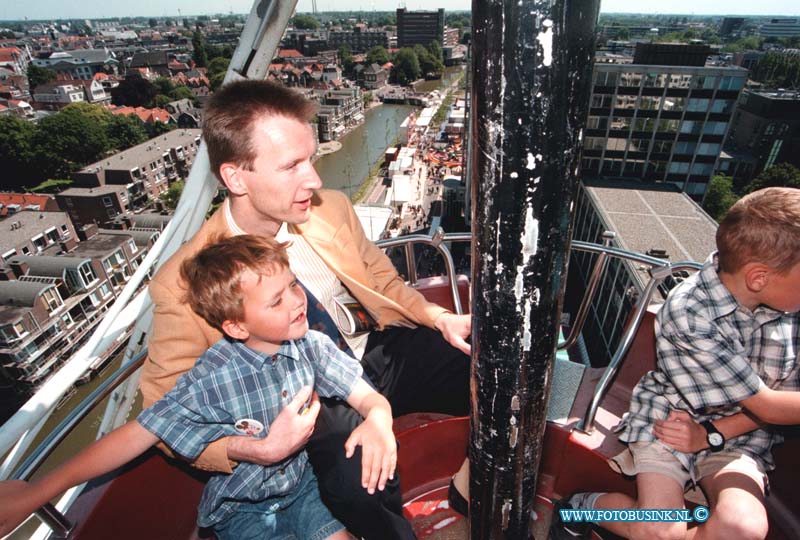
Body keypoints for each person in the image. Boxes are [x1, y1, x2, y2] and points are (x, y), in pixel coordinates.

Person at [140, 79, 472, 539]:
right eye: (292, 166)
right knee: (363, 485)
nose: (314, 180)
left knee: (489, 371)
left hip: (368, 347)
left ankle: (468, 486)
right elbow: (162, 407)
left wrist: (439, 318)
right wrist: (251, 449)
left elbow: (382, 281)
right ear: (236, 177)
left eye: (311, 159)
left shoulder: (330, 208)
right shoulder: (182, 281)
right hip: (305, 391)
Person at [0, 235, 396, 540]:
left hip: (300, 488)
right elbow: (136, 435)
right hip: (242, 510)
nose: (297, 302)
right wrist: (36, 493)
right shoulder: (212, 378)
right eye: (276, 302)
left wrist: (378, 417)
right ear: (237, 327)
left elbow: (362, 393)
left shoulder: (311, 346)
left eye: (294, 286)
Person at [565, 187, 800, 540]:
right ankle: (590, 506)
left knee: (742, 529)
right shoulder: (690, 313)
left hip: (741, 433)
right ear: (759, 277)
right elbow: (768, 404)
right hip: (671, 422)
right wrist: (703, 434)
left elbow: (770, 408)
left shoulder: (787, 305)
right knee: (660, 531)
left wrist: (712, 435)